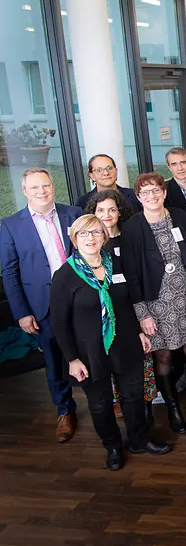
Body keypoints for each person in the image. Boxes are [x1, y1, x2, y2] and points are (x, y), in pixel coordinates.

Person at [49, 215, 171, 469]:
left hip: (126, 343)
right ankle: (113, 446)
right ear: (75, 239)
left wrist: (139, 332)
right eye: (84, 233)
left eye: (95, 232)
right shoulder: (65, 275)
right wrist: (72, 359)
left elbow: (125, 304)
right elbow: (59, 323)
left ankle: (139, 439)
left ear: (104, 236)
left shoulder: (115, 263)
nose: (90, 238)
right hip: (89, 352)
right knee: (101, 404)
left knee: (134, 396)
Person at [121, 173, 186, 434]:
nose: (151, 196)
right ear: (138, 197)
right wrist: (142, 314)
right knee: (165, 355)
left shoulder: (180, 216)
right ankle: (172, 407)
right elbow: (132, 275)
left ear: (164, 192)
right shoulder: (132, 228)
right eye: (145, 192)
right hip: (155, 303)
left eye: (155, 190)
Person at [0, 167, 81, 442]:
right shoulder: (11, 225)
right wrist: (22, 313)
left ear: (53, 186)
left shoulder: (74, 214)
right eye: (35, 188)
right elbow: (10, 273)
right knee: (54, 361)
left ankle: (106, 402)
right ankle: (65, 411)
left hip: (80, 300)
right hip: (42, 305)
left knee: (93, 351)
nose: (42, 191)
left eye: (45, 186)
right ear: (25, 191)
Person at [84, 190, 157, 423]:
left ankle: (144, 410)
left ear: (120, 212)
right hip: (105, 318)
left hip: (133, 310)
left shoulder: (130, 235)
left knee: (139, 366)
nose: (107, 215)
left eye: (112, 209)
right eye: (101, 210)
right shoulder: (90, 243)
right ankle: (123, 410)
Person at [76, 154, 141, 212]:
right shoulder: (83, 202)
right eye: (99, 170)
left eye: (109, 168)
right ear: (91, 176)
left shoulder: (134, 195)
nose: (106, 173)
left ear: (116, 170)